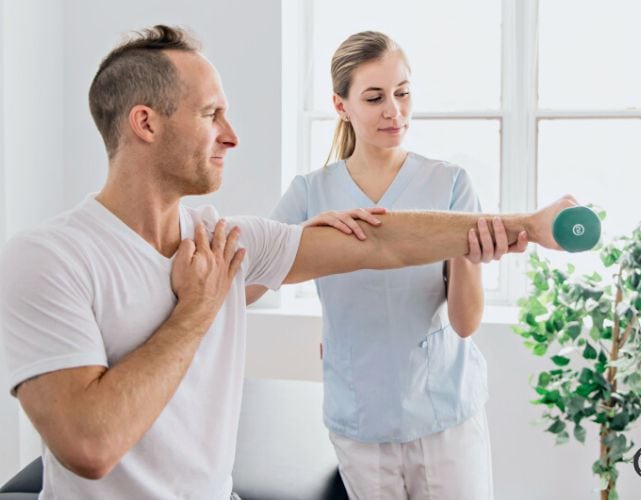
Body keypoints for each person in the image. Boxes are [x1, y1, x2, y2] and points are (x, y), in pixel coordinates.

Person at [0, 25, 574, 499]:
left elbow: (380, 242)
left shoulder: (223, 240)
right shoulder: (48, 257)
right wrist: (198, 309)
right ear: (146, 123)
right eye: (211, 114)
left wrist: (531, 226)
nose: (233, 136)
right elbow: (89, 445)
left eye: (402, 93)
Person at [249, 31, 518, 499]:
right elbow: (247, 288)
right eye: (374, 98)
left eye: (403, 92)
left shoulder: (450, 184)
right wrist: (304, 236)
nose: (394, 110)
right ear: (341, 105)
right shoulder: (310, 194)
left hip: (446, 415)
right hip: (360, 422)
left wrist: (469, 258)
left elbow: (466, 322)